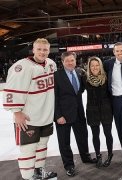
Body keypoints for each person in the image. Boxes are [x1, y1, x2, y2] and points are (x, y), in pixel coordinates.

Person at [2, 38, 57, 179]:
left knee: (42, 145)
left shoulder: (51, 64)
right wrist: (17, 112)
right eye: (39, 49)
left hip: (46, 115)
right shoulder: (21, 66)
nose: (42, 52)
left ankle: (39, 171)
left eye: (45, 49)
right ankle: (28, 177)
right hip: (28, 118)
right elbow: (12, 91)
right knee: (28, 149)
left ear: (49, 50)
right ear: (33, 50)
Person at [54, 52, 96, 177]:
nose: (70, 63)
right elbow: (54, 97)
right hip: (63, 115)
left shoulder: (79, 72)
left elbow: (80, 90)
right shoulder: (56, 75)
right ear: (62, 62)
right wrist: (57, 116)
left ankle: (86, 157)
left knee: (82, 137)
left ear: (75, 60)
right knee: (64, 142)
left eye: (72, 60)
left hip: (78, 112)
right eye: (67, 61)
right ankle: (69, 165)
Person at [82, 56, 113, 168]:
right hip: (92, 110)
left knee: (108, 134)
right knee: (95, 135)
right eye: (92, 65)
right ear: (89, 67)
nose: (95, 67)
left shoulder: (107, 77)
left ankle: (110, 155)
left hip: (106, 109)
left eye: (97, 65)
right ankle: (98, 155)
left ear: (100, 66)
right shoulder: (85, 79)